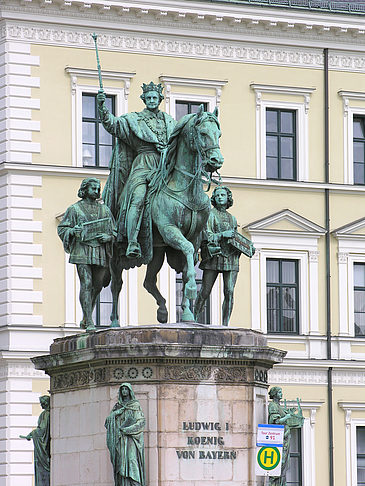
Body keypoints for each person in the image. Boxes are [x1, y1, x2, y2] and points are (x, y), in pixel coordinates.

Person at [97, 82, 175, 263]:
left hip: (165, 167)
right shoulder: (134, 120)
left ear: (160, 99)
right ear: (143, 99)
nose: (152, 100)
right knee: (137, 198)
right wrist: (102, 107)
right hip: (143, 164)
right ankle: (132, 242)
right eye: (148, 98)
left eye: (155, 98)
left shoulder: (171, 122)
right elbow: (113, 125)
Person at [57, 178, 116, 330]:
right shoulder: (74, 209)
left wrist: (109, 237)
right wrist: (72, 231)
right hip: (82, 249)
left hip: (100, 249)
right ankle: (89, 320)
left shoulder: (105, 210)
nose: (97, 192)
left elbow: (114, 231)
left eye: (98, 189)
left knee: (97, 286)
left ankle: (86, 315)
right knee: (87, 283)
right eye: (93, 188)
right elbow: (62, 228)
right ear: (85, 190)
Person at [194, 185, 240, 326]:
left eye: (223, 195)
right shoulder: (210, 215)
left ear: (228, 199)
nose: (220, 197)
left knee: (229, 291)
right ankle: (195, 318)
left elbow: (236, 239)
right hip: (214, 256)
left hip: (231, 257)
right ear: (214, 198)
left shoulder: (232, 219)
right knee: (205, 291)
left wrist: (246, 247)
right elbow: (206, 235)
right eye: (218, 195)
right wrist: (222, 235)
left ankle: (225, 324)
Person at [105, 383, 146, 486]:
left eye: (126, 389)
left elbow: (141, 422)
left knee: (132, 460)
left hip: (131, 439)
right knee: (120, 463)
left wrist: (127, 429)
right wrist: (116, 413)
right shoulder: (117, 407)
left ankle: (135, 483)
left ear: (129, 391)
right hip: (120, 440)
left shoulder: (135, 405)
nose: (124, 391)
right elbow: (107, 423)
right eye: (122, 389)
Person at [268, 387, 304, 486]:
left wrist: (289, 413)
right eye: (279, 392)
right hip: (279, 438)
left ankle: (281, 482)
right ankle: (276, 482)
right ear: (275, 394)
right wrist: (287, 417)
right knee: (281, 461)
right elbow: (275, 421)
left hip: (285, 436)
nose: (281, 394)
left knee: (284, 463)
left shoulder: (278, 406)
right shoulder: (273, 406)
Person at [20, 395, 50, 486]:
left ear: (46, 403)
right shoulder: (44, 414)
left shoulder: (46, 414)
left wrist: (31, 434)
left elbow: (42, 430)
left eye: (42, 403)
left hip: (44, 448)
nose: (41, 406)